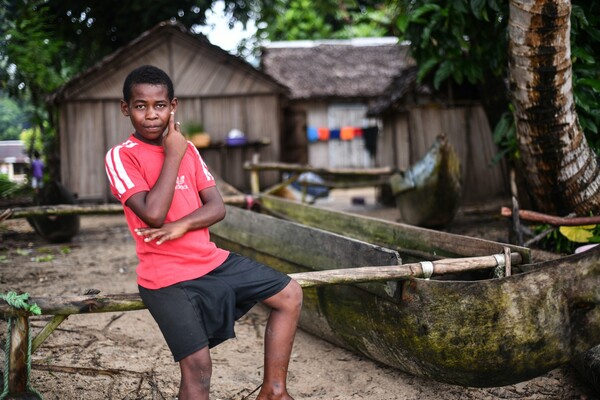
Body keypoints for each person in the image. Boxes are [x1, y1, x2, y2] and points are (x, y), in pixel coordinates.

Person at [104, 65, 302, 400]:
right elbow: (153, 214)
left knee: (290, 294)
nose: (151, 115)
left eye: (160, 105)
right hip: (164, 276)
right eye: (141, 106)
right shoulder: (121, 156)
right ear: (126, 108)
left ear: (173, 106)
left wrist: (182, 223)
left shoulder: (189, 150)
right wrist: (174, 153)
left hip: (211, 261)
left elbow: (216, 207)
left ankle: (273, 391)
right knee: (198, 368)